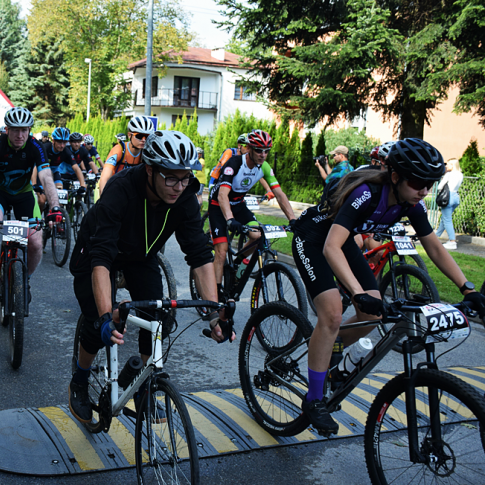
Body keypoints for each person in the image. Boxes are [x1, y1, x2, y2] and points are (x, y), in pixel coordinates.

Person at [291, 138, 485, 435]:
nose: (425, 191)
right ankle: (314, 399)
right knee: (331, 314)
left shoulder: (411, 203)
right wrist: (357, 293)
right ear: (395, 176)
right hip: (315, 239)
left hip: (342, 244)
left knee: (373, 313)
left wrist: (467, 288)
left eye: (430, 184)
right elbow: (331, 246)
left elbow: (434, 248)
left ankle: (334, 345)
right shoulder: (366, 193)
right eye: (418, 182)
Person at [66, 130, 233, 424]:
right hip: (96, 252)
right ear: (149, 169)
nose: (179, 187)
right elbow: (102, 259)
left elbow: (199, 255)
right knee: (97, 323)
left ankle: (144, 386)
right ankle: (79, 380)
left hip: (139, 256)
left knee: (157, 315)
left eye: (185, 178)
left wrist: (214, 314)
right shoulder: (121, 189)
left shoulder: (185, 196)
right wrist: (106, 316)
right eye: (170, 178)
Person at [0, 107, 61, 298]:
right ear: (7, 130)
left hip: (23, 194)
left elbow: (46, 178)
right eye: (15, 130)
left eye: (24, 130)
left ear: (29, 130)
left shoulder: (36, 146)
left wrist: (55, 207)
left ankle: (24, 280)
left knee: (35, 239)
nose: (20, 135)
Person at [208, 129, 296, 289]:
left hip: (238, 204)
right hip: (218, 205)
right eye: (258, 150)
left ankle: (237, 262)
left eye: (266, 151)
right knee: (221, 251)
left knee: (257, 235)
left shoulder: (264, 167)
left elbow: (280, 194)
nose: (263, 155)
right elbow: (222, 195)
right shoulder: (234, 163)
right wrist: (230, 220)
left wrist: (293, 219)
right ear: (248, 148)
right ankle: (216, 297)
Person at [99, 116, 154, 192]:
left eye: (147, 136)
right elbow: (105, 175)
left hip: (132, 189)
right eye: (139, 136)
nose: (143, 140)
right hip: (115, 187)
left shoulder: (146, 153)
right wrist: (103, 198)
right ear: (129, 135)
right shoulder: (119, 149)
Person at [435, 158, 464, 250]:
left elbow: (440, 187)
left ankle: (452, 241)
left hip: (448, 197)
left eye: (448, 164)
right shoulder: (460, 175)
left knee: (447, 220)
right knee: (445, 218)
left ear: (452, 165)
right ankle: (435, 236)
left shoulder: (449, 174)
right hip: (456, 197)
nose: (446, 166)